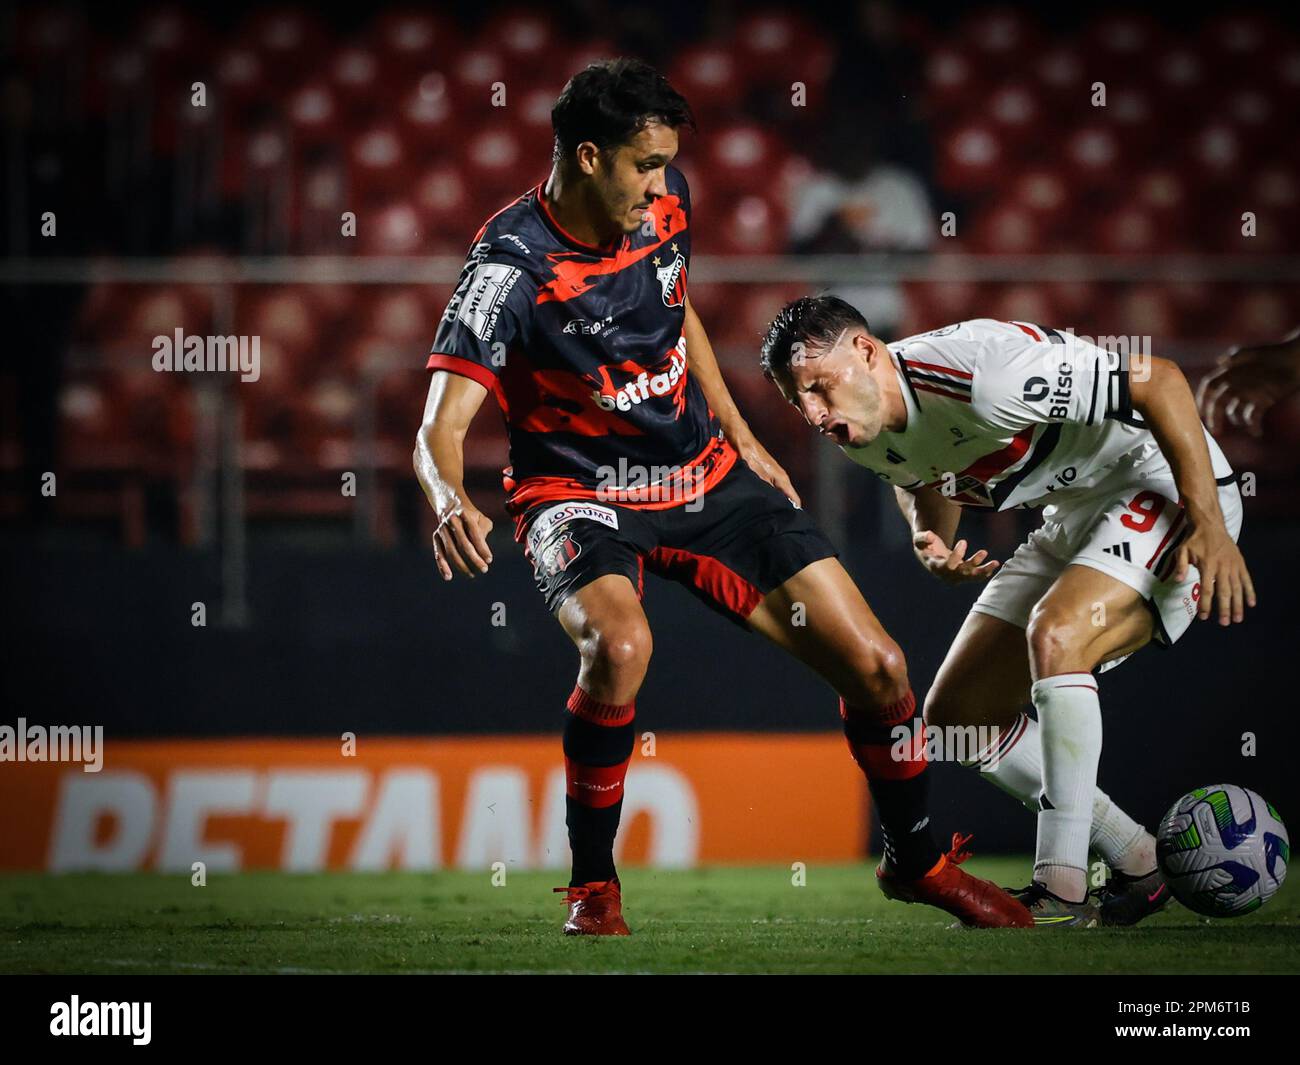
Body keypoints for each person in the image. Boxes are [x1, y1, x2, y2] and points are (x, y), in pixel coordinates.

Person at [414, 60, 1031, 934]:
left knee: (882, 666)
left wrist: (739, 431)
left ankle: (916, 861)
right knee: (621, 645)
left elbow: (676, 305)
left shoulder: (664, 207)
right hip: (576, 490)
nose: (662, 184)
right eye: (645, 164)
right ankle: (594, 887)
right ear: (589, 157)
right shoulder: (508, 266)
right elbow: (437, 428)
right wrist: (447, 497)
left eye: (667, 163)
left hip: (701, 471)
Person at [761, 297, 1254, 927]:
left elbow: (1159, 379)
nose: (812, 412)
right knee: (957, 717)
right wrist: (927, 539)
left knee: (1059, 633)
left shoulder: (986, 377)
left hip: (1159, 483)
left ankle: (1061, 884)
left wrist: (1208, 518)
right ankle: (1136, 856)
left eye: (819, 387)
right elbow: (925, 479)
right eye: (796, 400)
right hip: (1077, 509)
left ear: (865, 350)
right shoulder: (861, 434)